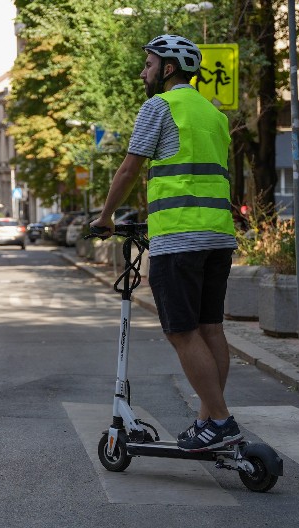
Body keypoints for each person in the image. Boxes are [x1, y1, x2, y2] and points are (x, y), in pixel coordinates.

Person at [90, 35, 242, 452]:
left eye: (148, 64)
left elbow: (129, 169)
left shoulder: (159, 107)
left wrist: (105, 218)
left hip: (179, 236)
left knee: (181, 331)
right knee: (211, 327)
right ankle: (207, 421)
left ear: (168, 68)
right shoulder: (214, 114)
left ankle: (223, 421)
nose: (144, 72)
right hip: (217, 234)